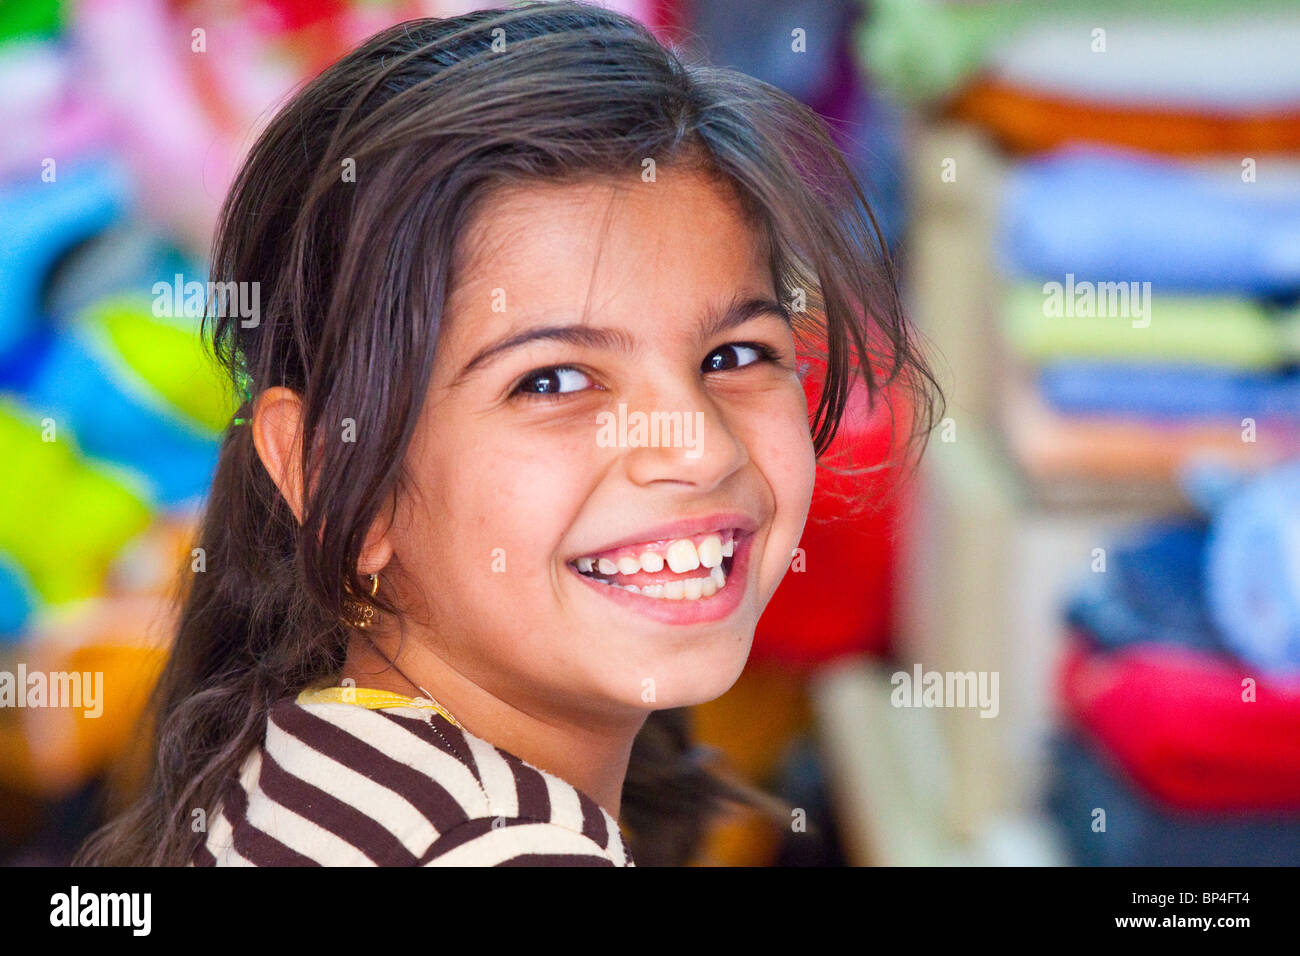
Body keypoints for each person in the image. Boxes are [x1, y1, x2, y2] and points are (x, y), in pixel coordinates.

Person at [75, 0, 938, 867]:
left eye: (734, 354)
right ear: (329, 470)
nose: (701, 446)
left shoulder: (308, 766)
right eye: (553, 380)